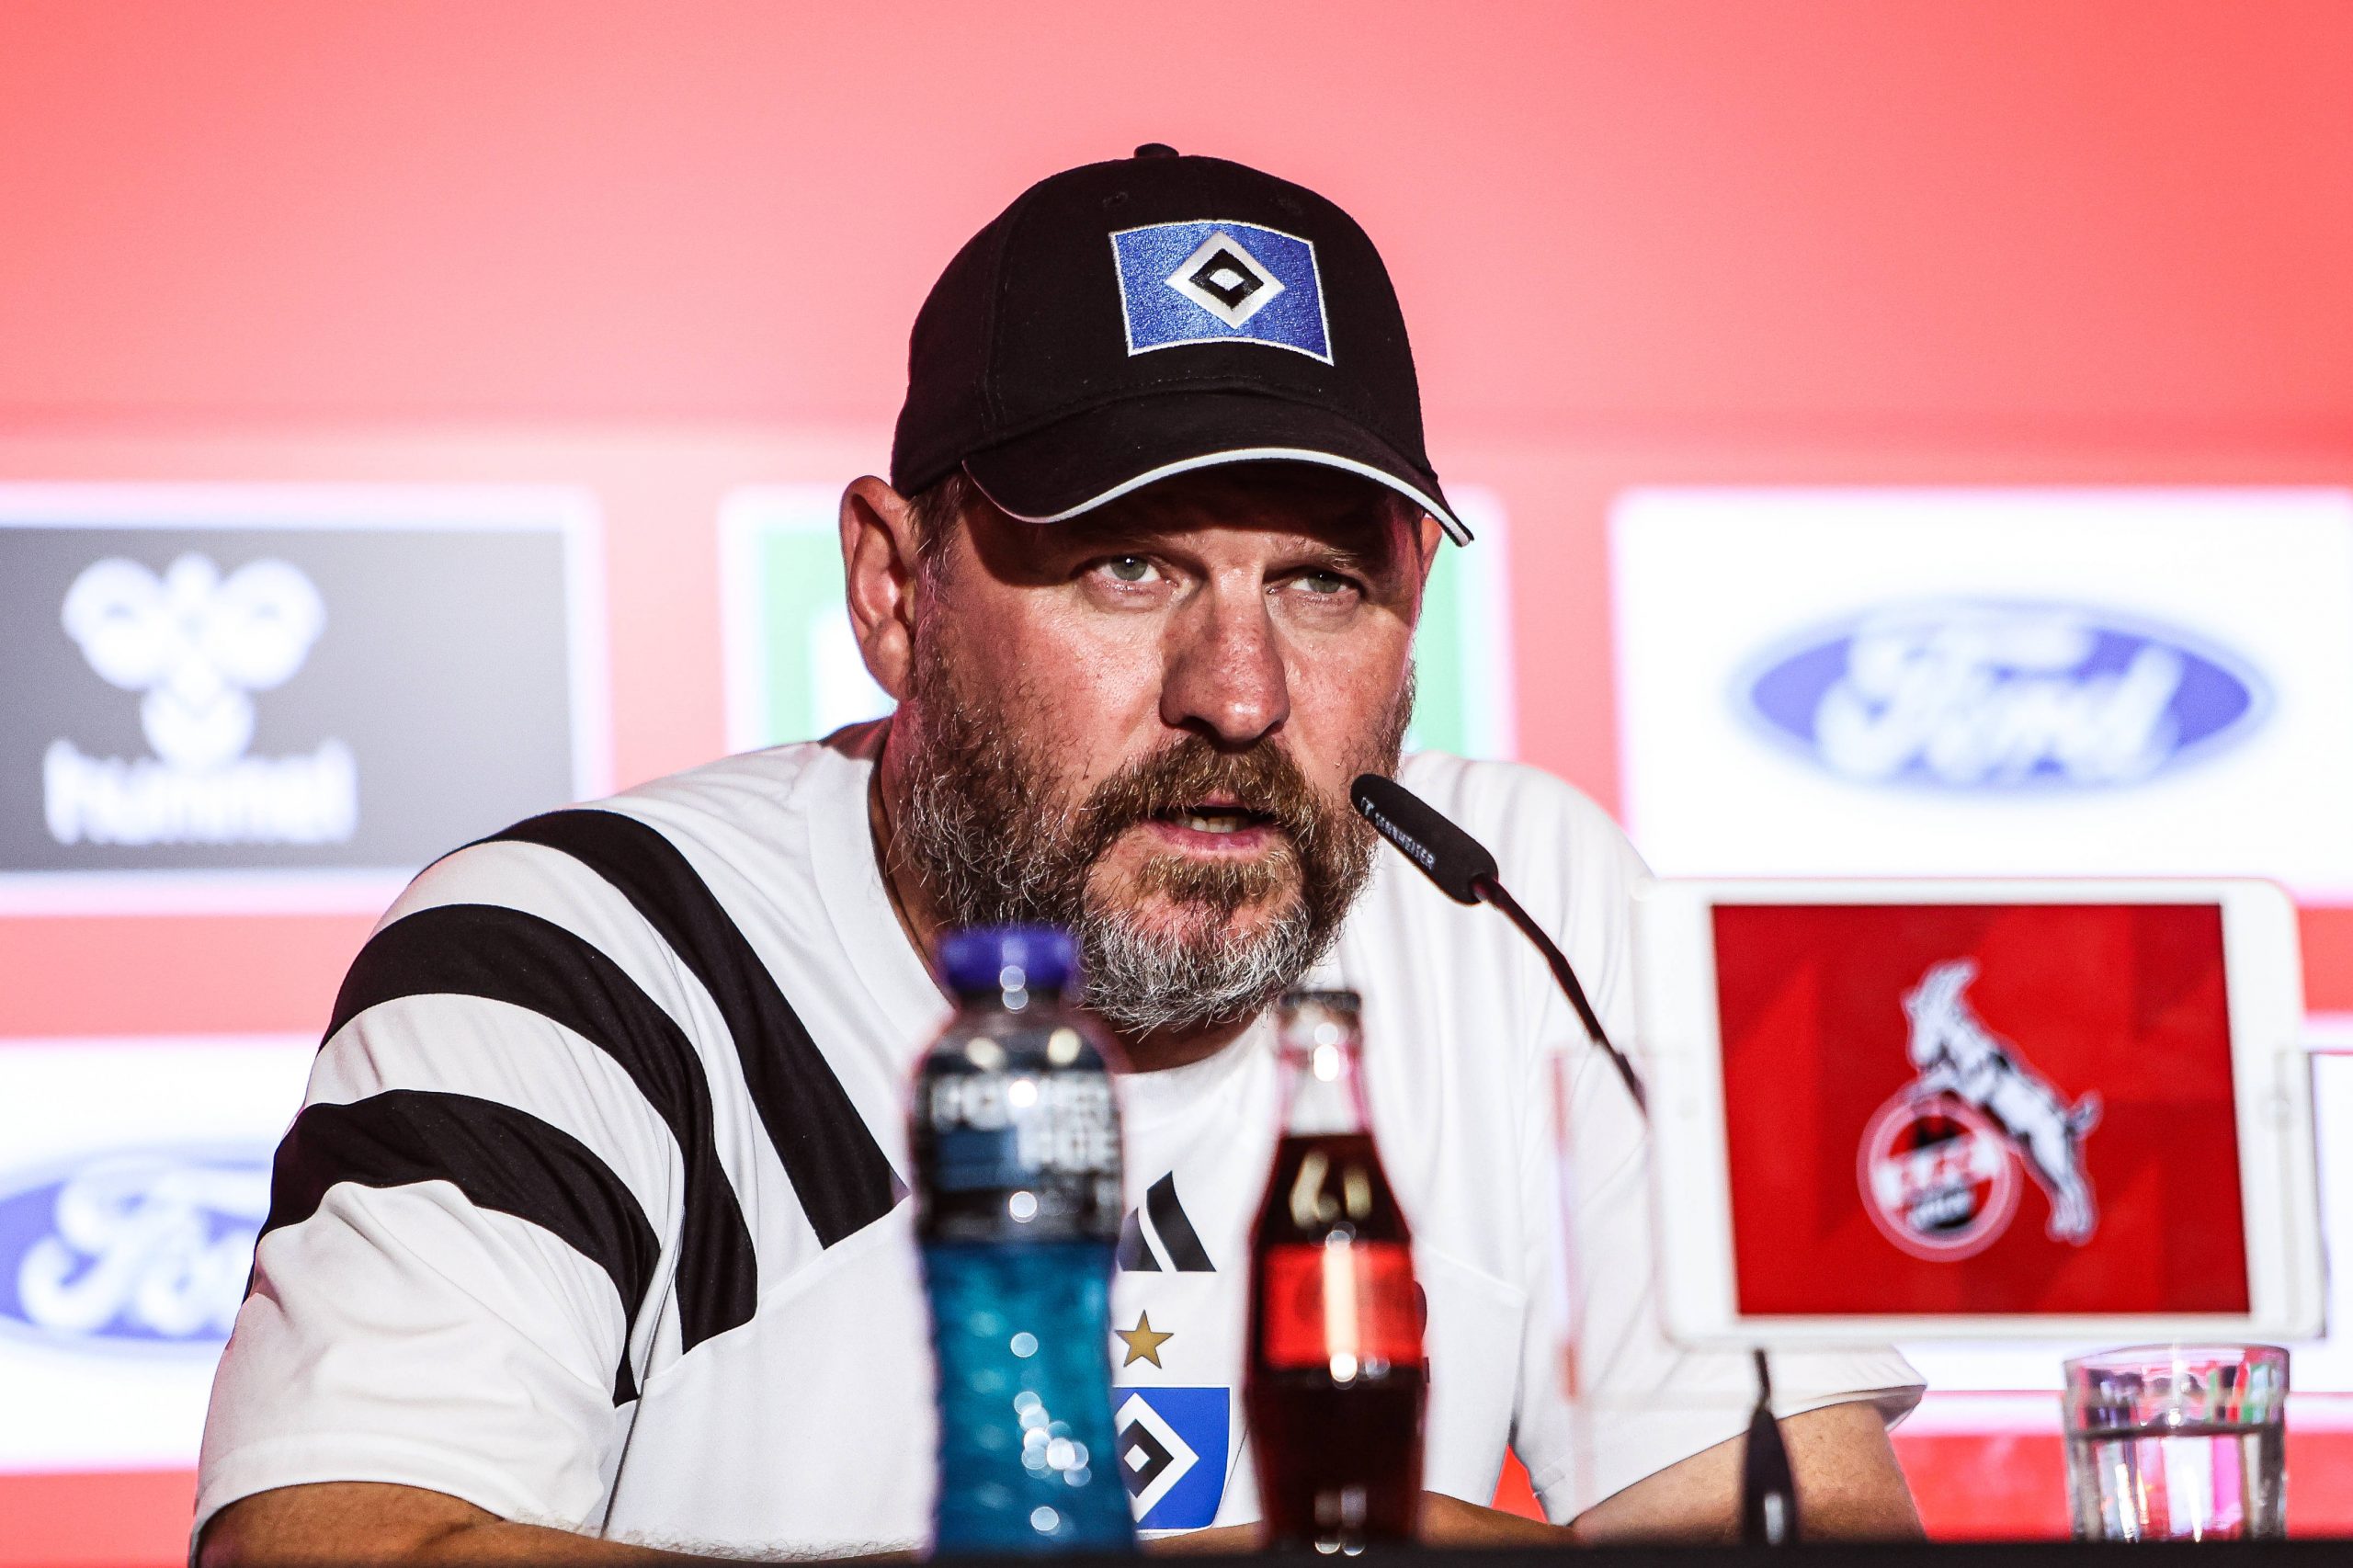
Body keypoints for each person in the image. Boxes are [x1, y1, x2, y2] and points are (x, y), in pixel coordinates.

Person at [195, 147, 1923, 1565]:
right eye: (1131, 568)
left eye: (1324, 581)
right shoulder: (581, 955)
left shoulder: (1529, 901)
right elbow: (341, 1543)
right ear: (892, 588)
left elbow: (1811, 1524)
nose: (1238, 695)